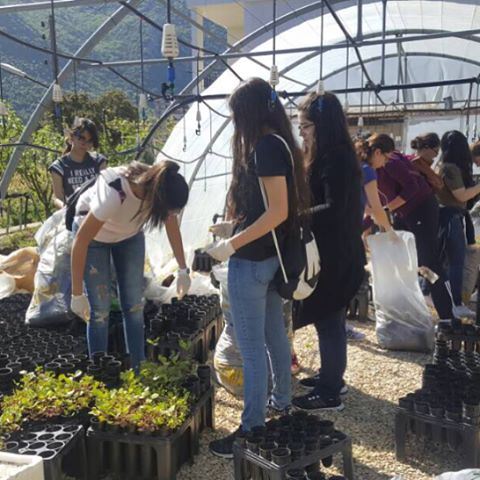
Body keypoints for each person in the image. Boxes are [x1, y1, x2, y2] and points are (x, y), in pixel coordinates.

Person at [206, 77, 308, 457]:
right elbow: (273, 209)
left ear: (247, 114)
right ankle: (281, 402)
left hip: (251, 263)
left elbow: (277, 211)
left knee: (251, 349)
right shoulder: (282, 143)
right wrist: (233, 226)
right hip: (272, 260)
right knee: (274, 337)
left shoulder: (264, 147)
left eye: (236, 115)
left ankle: (251, 427)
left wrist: (230, 244)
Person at [70, 160, 192, 371]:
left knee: (134, 306)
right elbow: (81, 240)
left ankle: (139, 369)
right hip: (94, 241)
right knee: (99, 312)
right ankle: (100, 374)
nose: (168, 216)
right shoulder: (116, 193)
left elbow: (171, 224)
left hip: (129, 237)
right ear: (157, 198)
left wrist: (183, 270)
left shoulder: (160, 183)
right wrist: (77, 294)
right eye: (167, 210)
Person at [293, 92, 365, 412]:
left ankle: (330, 391)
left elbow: (333, 208)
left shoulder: (335, 158)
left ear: (323, 125)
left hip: (336, 253)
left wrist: (295, 215)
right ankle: (331, 376)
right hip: (337, 249)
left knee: (328, 318)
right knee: (329, 318)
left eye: (306, 126)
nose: (302, 132)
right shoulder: (333, 154)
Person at [364, 134, 454, 320]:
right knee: (402, 260)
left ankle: (447, 315)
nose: (387, 160)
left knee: (428, 261)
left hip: (422, 207)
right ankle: (406, 311)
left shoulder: (391, 162)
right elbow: (373, 209)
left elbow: (412, 187)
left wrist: (387, 210)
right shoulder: (368, 169)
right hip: (401, 212)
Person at [436, 131, 480, 318]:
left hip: (451, 217)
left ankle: (453, 302)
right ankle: (455, 303)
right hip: (451, 217)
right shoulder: (450, 168)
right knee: (456, 262)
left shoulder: (444, 166)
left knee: (451, 262)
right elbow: (461, 195)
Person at [49, 118, 107, 209]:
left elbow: (106, 189)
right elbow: (57, 198)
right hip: (73, 215)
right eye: (81, 138)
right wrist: (66, 209)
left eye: (89, 141)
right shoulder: (59, 167)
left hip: (97, 212)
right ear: (72, 137)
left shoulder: (99, 161)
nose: (84, 143)